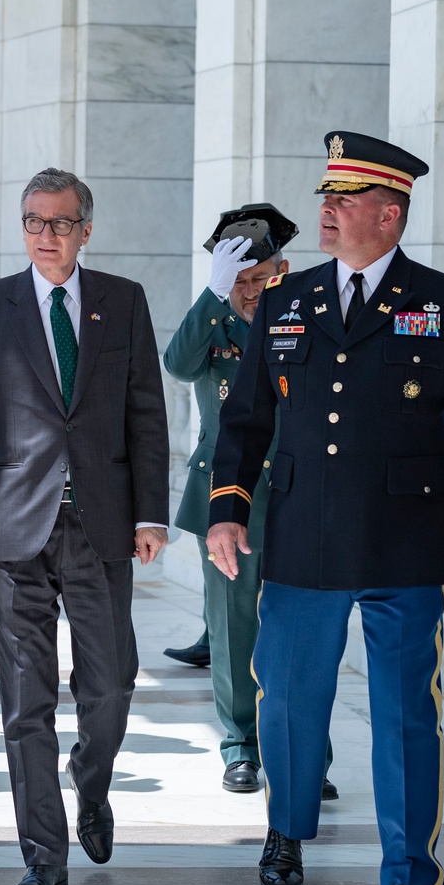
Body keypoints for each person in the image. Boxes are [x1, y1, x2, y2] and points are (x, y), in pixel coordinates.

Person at [207, 132, 444, 885]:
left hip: (405, 541)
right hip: (303, 536)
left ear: (390, 212)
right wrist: (228, 509)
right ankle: (286, 831)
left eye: (343, 201)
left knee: (407, 716)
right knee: (292, 700)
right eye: (325, 198)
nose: (326, 212)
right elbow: (245, 419)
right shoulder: (286, 297)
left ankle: (411, 880)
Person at [0, 166, 169, 885]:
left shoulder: (122, 302)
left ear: (86, 230)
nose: (48, 236)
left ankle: (92, 785)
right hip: (15, 529)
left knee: (110, 685)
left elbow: (146, 414)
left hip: (101, 525)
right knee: (24, 699)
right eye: (35, 223)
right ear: (22, 229)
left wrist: (149, 513)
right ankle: (43, 853)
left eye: (62, 223)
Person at [165, 205, 334, 798]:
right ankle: (240, 746)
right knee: (233, 627)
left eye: (259, 279)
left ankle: (312, 752)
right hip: (227, 498)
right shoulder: (215, 320)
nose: (248, 292)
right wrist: (212, 297)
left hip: (297, 497)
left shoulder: (308, 313)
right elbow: (176, 365)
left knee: (303, 632)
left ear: (281, 271)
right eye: (237, 280)